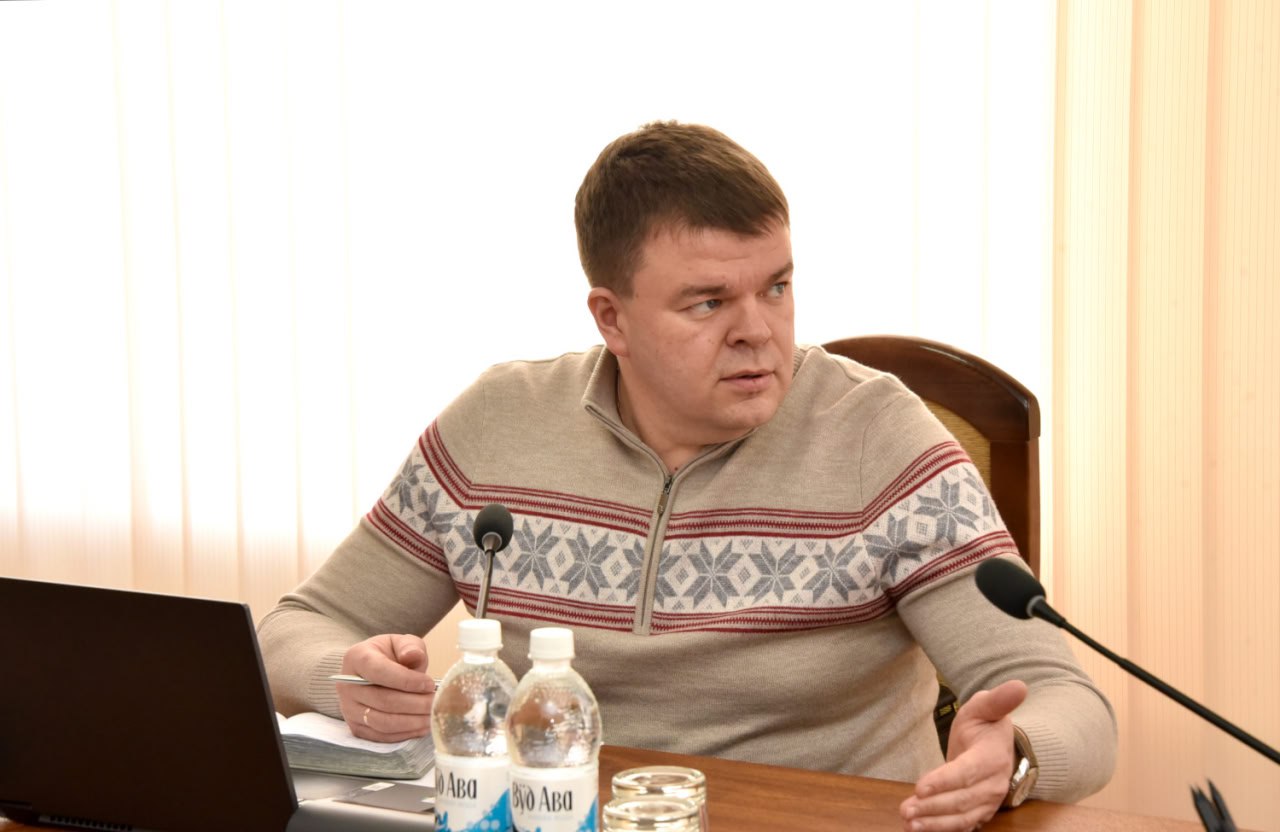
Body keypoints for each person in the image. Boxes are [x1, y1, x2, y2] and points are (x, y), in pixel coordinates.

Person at [259, 121, 1116, 831]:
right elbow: (294, 629)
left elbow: (1069, 701)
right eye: (709, 302)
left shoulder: (878, 438)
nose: (758, 331)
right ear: (612, 318)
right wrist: (352, 676)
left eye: (776, 288)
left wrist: (1015, 755)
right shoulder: (498, 423)